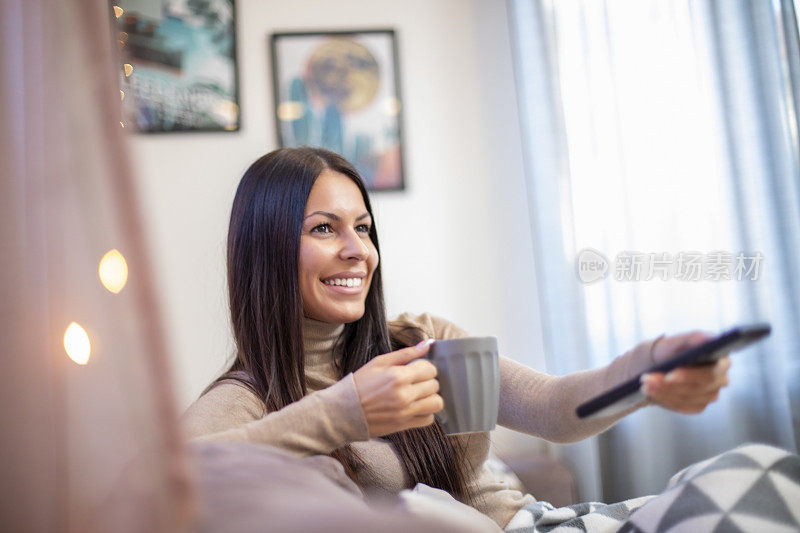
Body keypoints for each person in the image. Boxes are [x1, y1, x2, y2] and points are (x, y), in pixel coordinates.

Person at [182, 147, 792, 530]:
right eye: (324, 227)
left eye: (364, 228)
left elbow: (554, 409)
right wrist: (341, 414)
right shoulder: (242, 403)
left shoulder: (424, 342)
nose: (357, 250)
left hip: (546, 526)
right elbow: (163, 487)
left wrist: (649, 372)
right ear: (264, 246)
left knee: (763, 475)